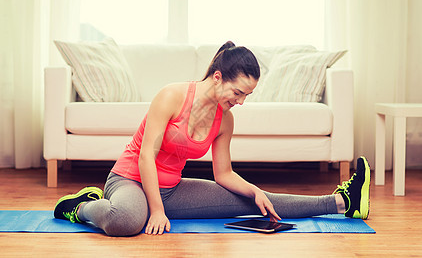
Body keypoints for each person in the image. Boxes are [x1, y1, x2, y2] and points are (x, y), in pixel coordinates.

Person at [54, 41, 371, 236]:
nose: (241, 101)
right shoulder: (172, 96)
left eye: (247, 95)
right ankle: (82, 206)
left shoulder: (225, 120)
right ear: (218, 77)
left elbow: (223, 174)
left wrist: (254, 190)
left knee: (257, 201)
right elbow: (145, 156)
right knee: (126, 222)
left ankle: (344, 201)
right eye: (238, 92)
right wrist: (157, 210)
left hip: (173, 190)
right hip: (129, 180)